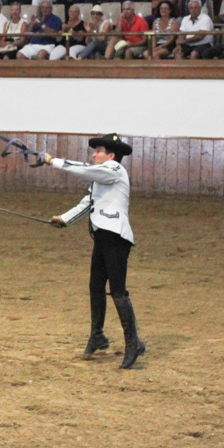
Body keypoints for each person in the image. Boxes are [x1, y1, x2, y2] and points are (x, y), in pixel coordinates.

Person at [41, 134, 145, 369]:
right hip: (102, 236)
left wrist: (53, 161)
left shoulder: (114, 169)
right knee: (96, 286)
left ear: (111, 155)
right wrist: (64, 219)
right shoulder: (101, 178)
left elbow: (86, 170)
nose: (93, 154)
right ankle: (97, 336)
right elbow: (88, 203)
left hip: (116, 238)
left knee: (118, 292)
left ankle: (133, 344)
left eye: (98, 150)